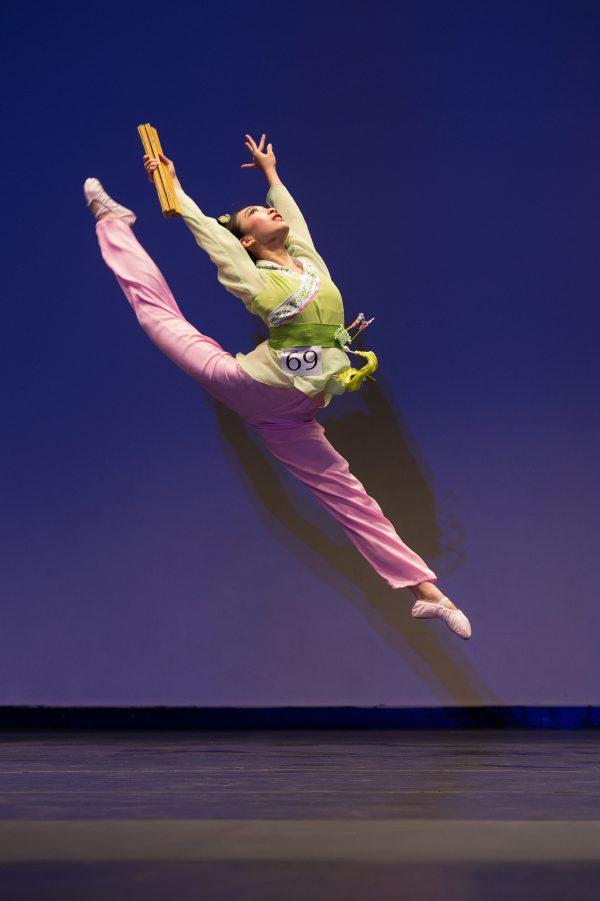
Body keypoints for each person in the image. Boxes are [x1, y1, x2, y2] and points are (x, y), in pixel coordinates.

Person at [82, 132, 472, 640]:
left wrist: (271, 177)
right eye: (256, 213)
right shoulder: (252, 274)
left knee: (348, 496)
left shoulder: (310, 264)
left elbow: (295, 218)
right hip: (246, 382)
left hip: (292, 414)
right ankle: (114, 221)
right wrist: (174, 187)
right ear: (246, 241)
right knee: (155, 315)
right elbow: (208, 233)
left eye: (265, 208)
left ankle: (427, 594)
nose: (268, 212)